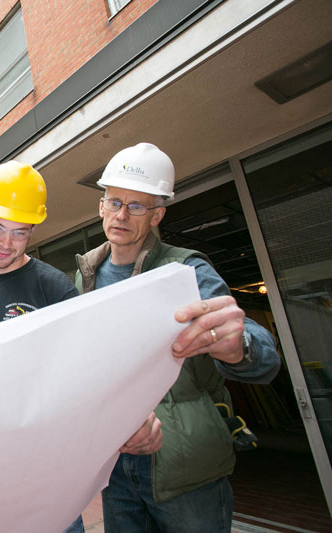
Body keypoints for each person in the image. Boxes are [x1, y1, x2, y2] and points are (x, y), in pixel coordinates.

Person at [75, 143, 281, 532]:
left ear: (157, 215)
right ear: (101, 206)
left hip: (185, 469)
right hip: (115, 467)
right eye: (115, 202)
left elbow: (263, 355)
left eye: (137, 206)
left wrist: (242, 347)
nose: (122, 214)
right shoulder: (84, 277)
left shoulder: (186, 269)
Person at [0, 160, 163, 533]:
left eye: (20, 233)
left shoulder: (54, 287)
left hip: (49, 471)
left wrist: (132, 412)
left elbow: (89, 365)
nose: (6, 244)